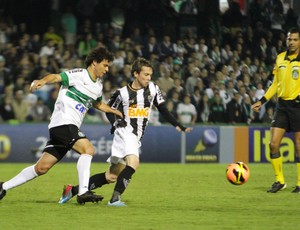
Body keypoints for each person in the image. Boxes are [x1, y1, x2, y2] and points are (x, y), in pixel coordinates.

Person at [58, 57, 192, 206]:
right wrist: (115, 122)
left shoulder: (153, 89)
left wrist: (178, 125)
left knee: (111, 176)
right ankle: (115, 199)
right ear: (136, 74)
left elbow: (163, 109)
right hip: (125, 131)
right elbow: (109, 110)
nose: (149, 78)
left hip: (135, 135)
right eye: (146, 74)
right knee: (134, 162)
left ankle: (72, 190)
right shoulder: (122, 93)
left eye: (150, 75)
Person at [0, 47, 123, 204]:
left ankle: (3, 186)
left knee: (41, 168)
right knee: (88, 150)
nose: (107, 70)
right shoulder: (79, 74)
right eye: (105, 65)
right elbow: (56, 77)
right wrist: (43, 81)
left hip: (65, 128)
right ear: (94, 62)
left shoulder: (97, 86)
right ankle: (83, 192)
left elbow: (98, 104)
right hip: (63, 123)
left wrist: (114, 111)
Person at [251, 27, 300, 193]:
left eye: (294, 39)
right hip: (282, 106)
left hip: (298, 106)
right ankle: (280, 181)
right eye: (289, 39)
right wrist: (262, 100)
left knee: (299, 146)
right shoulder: (280, 58)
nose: (291, 42)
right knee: (273, 144)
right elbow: (275, 84)